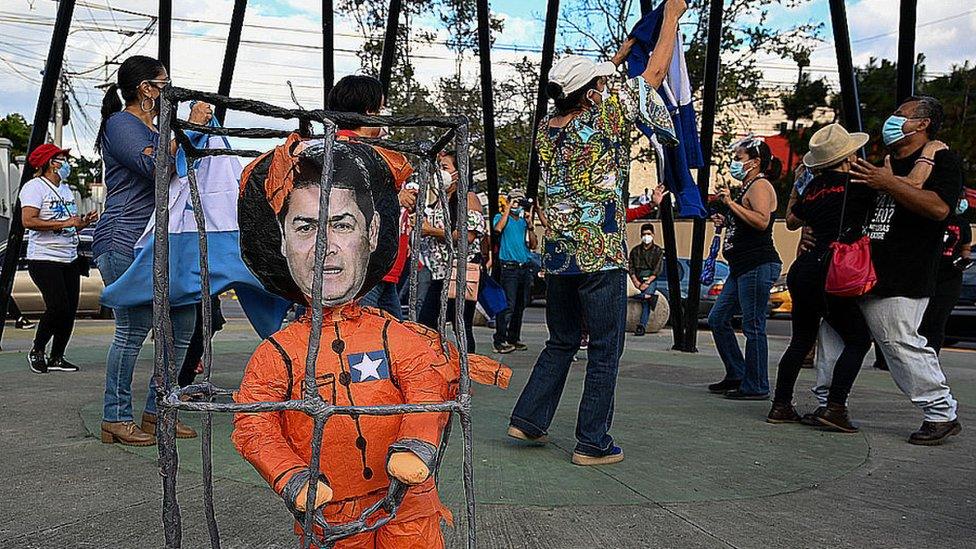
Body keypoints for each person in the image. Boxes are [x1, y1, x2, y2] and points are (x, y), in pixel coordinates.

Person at [233, 139, 509, 548]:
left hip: (409, 506)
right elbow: (253, 422)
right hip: (330, 515)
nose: (325, 246)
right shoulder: (278, 355)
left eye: (342, 225)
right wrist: (290, 475)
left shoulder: (397, 337)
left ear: (373, 232)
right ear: (281, 239)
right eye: (305, 227)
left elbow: (427, 388)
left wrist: (417, 443)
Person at [508, 0, 683, 467]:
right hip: (600, 256)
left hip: (560, 256)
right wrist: (669, 20)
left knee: (562, 340)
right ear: (589, 94)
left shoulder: (548, 129)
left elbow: (596, 84)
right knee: (605, 348)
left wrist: (623, 51)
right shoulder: (607, 117)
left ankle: (529, 418)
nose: (608, 86)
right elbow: (658, 72)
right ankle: (593, 441)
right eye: (600, 84)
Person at [814, 95, 963, 445]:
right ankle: (829, 405)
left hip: (902, 272)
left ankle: (941, 413)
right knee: (832, 338)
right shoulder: (886, 161)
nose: (891, 120)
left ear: (923, 123)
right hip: (858, 270)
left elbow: (940, 209)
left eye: (901, 115)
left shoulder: (942, 161)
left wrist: (888, 183)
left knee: (899, 342)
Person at [94, 55, 210, 446]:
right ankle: (116, 416)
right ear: (147, 89)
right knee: (133, 329)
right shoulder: (121, 124)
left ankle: (157, 411)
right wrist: (191, 126)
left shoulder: (156, 129)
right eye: (165, 84)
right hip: (125, 239)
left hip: (162, 241)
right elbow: (158, 168)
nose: (170, 91)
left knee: (182, 325)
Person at [766, 124, 876, 428]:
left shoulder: (813, 188)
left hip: (804, 268)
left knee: (801, 340)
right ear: (849, 155)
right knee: (858, 339)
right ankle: (835, 406)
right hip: (834, 268)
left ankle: (781, 405)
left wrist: (799, 185)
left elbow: (792, 219)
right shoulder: (860, 186)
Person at [328, 75, 417, 320]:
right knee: (354, 333)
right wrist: (394, 200)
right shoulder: (349, 149)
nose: (384, 114)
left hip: (381, 268)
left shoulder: (363, 149)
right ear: (369, 111)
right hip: (362, 268)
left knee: (389, 338)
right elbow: (342, 201)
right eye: (381, 107)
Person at [706, 137, 782, 400]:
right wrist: (727, 216)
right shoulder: (746, 187)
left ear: (755, 162)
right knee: (717, 319)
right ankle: (737, 373)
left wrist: (730, 205)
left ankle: (757, 384)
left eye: (738, 158)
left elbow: (761, 221)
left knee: (753, 325)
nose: (734, 163)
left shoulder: (760, 185)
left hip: (756, 264)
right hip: (741, 267)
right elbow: (745, 220)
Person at [20, 144, 97, 374]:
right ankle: (37, 350)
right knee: (57, 306)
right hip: (44, 257)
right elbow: (28, 221)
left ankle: (57, 356)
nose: (66, 164)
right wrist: (65, 223)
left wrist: (81, 223)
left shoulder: (65, 189)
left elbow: (69, 221)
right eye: (62, 159)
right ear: (51, 163)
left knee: (70, 309)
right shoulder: (34, 187)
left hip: (69, 257)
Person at [418, 151, 485, 353]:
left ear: (459, 173)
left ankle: (466, 371)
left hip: (459, 275)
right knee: (427, 325)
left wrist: (430, 230)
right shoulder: (440, 200)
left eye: (445, 167)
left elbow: (468, 236)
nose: (439, 172)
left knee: (460, 326)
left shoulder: (468, 198)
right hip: (440, 274)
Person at [491, 188, 538, 353]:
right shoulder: (500, 217)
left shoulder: (523, 222)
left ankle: (513, 337)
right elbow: (497, 229)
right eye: (516, 201)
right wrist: (508, 208)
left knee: (520, 305)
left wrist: (531, 226)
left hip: (524, 267)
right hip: (509, 267)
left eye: (520, 202)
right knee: (508, 305)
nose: (518, 205)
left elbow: (533, 245)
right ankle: (500, 339)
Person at [628, 223, 663, 336]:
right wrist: (636, 282)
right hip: (637, 278)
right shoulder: (635, 251)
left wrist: (647, 283)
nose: (646, 236)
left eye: (648, 234)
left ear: (653, 234)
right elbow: (631, 267)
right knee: (627, 294)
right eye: (644, 234)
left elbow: (657, 269)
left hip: (650, 279)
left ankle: (642, 325)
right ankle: (648, 296)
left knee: (646, 303)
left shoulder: (658, 251)